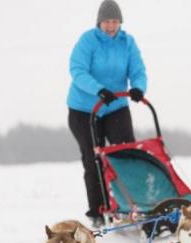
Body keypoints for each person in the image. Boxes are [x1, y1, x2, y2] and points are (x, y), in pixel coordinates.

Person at [67, 0, 147, 228]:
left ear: (120, 22)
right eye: (107, 22)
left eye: (115, 21)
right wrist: (98, 90)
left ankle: (133, 205)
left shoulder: (127, 42)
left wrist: (138, 88)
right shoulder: (88, 41)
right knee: (94, 159)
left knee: (126, 153)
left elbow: (138, 70)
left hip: (115, 107)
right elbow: (77, 70)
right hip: (84, 109)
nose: (111, 26)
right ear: (99, 22)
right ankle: (98, 210)